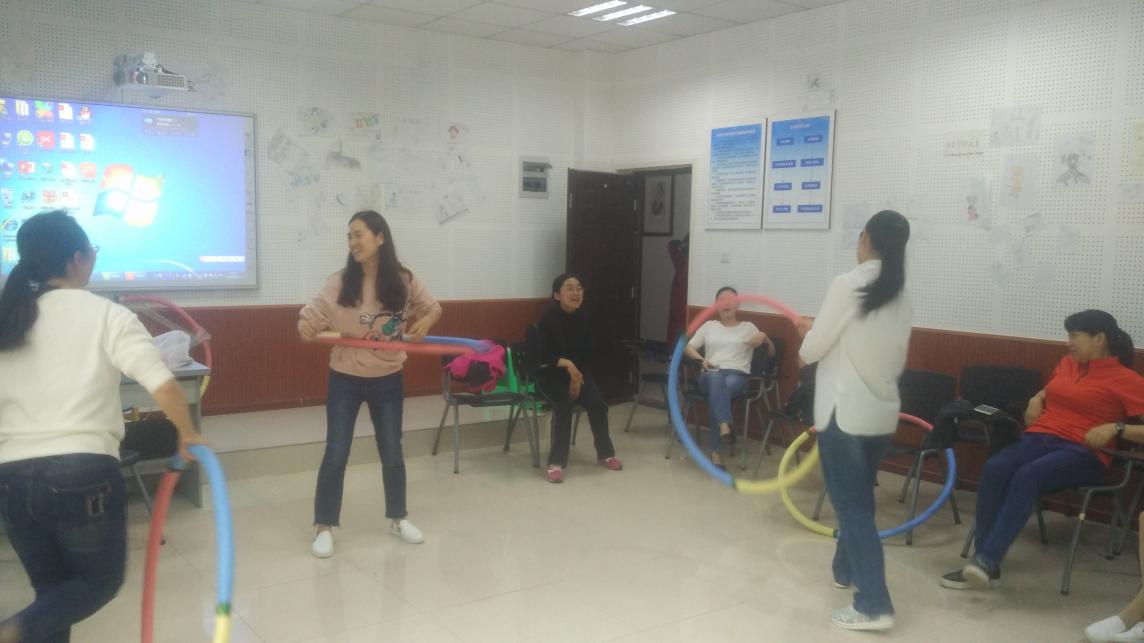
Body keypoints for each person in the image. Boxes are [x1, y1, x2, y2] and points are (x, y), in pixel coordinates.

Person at [0, 211, 204, 643]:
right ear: (77, 259)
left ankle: (24, 629)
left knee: (53, 595)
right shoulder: (107, 315)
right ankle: (13, 630)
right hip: (81, 471)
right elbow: (162, 384)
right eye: (91, 251)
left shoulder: (10, 320)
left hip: (10, 477)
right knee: (99, 583)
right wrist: (189, 434)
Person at [942, 310, 1144, 596]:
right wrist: (1036, 398)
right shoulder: (1068, 364)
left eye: (1074, 336)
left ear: (1099, 339)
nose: (1067, 343)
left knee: (1028, 476)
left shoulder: (1126, 379)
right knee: (995, 467)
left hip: (1083, 452)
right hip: (1039, 439)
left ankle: (987, 561)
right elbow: (1051, 390)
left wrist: (1116, 428)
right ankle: (985, 563)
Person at [298, 210, 442, 558]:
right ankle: (324, 526)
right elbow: (309, 318)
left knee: (392, 452)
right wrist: (306, 327)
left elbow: (433, 308)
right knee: (336, 452)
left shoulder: (404, 280)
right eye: (349, 236)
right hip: (345, 379)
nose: (352, 241)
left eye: (358, 234)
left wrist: (425, 322)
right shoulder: (340, 282)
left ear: (380, 237)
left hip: (388, 378)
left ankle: (398, 518)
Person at [797, 210, 913, 631]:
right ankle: (845, 569)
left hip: (843, 413)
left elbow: (812, 350)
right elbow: (893, 356)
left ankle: (873, 605)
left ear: (865, 238)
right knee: (859, 499)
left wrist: (806, 333)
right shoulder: (901, 292)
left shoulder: (848, 284)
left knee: (853, 509)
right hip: (880, 414)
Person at [536, 273, 622, 483]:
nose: (576, 293)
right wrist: (565, 363)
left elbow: (588, 354)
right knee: (563, 407)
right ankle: (556, 463)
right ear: (557, 295)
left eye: (579, 288)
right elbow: (539, 356)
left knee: (598, 405)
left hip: (578, 376)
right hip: (549, 377)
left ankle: (605, 453)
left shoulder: (586, 318)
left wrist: (576, 380)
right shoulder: (547, 320)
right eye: (569, 288)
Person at [683, 286, 773, 469]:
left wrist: (765, 337)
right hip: (710, 374)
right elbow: (687, 346)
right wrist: (701, 359)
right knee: (717, 381)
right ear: (716, 305)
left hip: (737, 376)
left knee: (719, 392)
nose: (726, 303)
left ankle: (717, 447)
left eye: (730, 300)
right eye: (721, 300)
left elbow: (771, 353)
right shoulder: (709, 326)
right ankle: (724, 425)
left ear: (738, 305)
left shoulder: (749, 327)